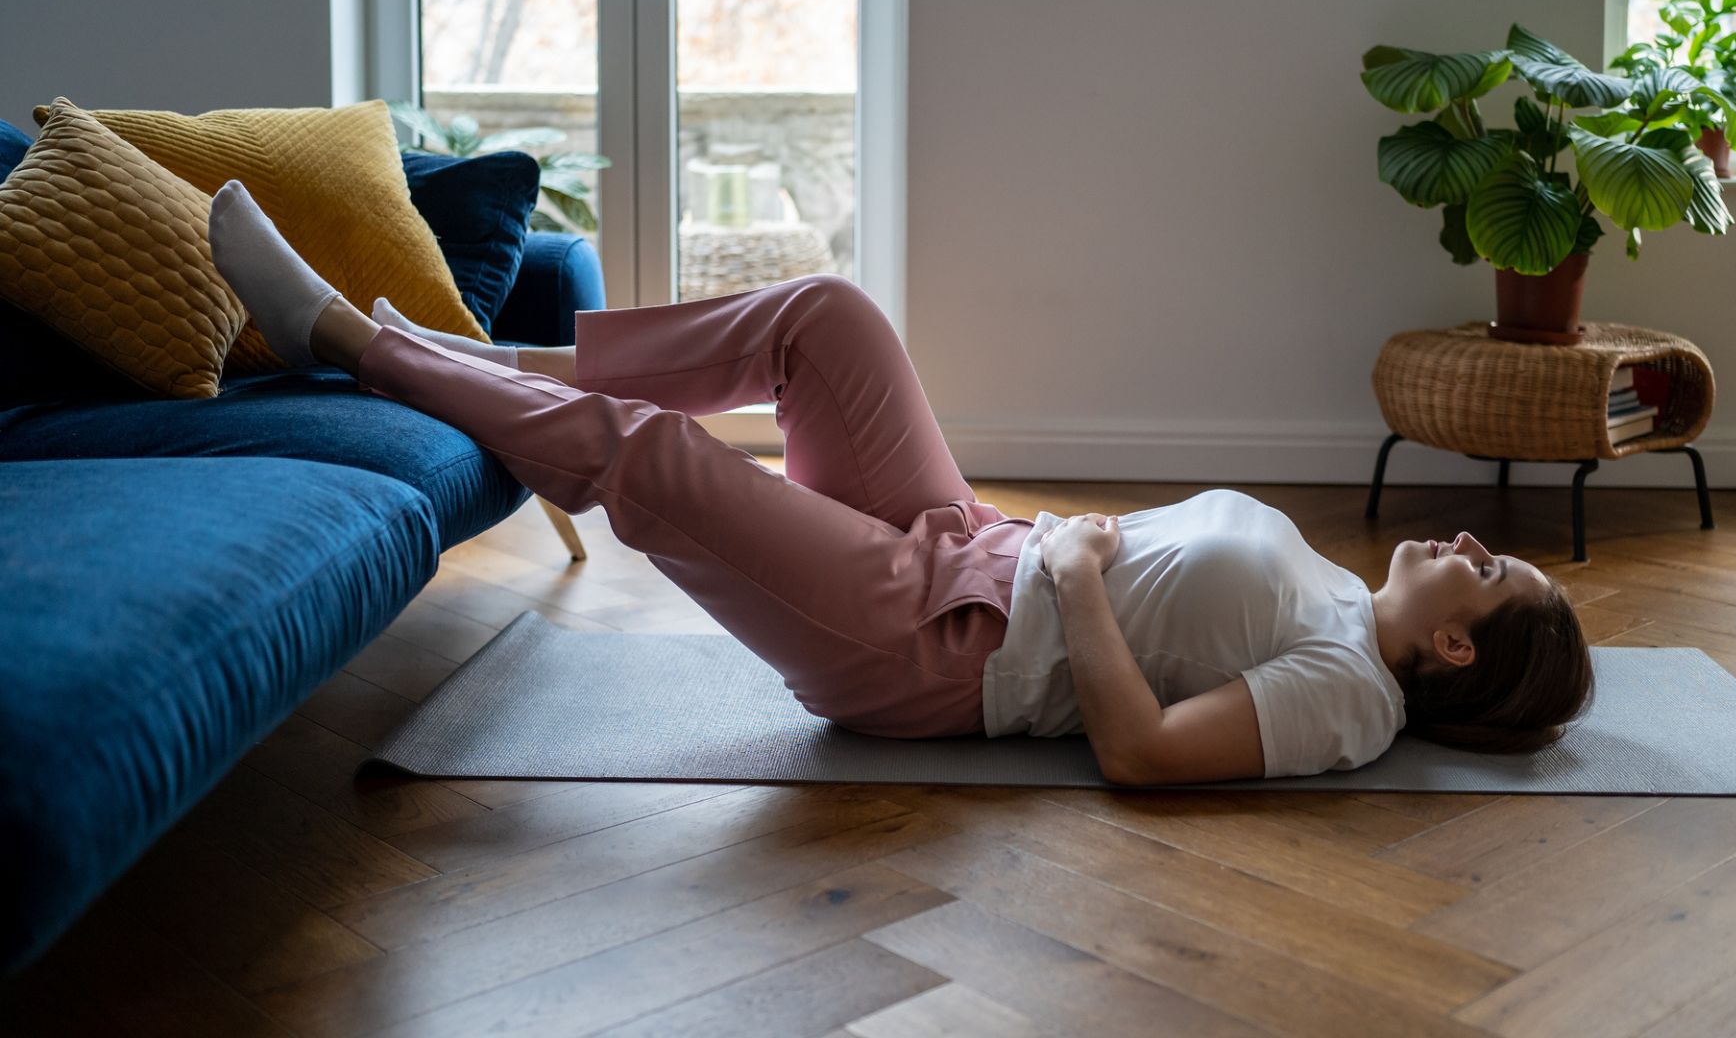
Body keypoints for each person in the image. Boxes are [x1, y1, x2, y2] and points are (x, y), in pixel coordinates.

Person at [206, 179, 1594, 787]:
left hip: (935, 653)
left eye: (1490, 567)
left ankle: (349, 336)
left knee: (664, 460)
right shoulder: (1346, 601)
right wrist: (1030, 544)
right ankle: (467, 353)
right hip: (969, 544)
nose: (1472, 537)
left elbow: (1144, 755)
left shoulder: (1353, 698)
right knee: (830, 313)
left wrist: (1072, 582)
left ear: (1459, 644)